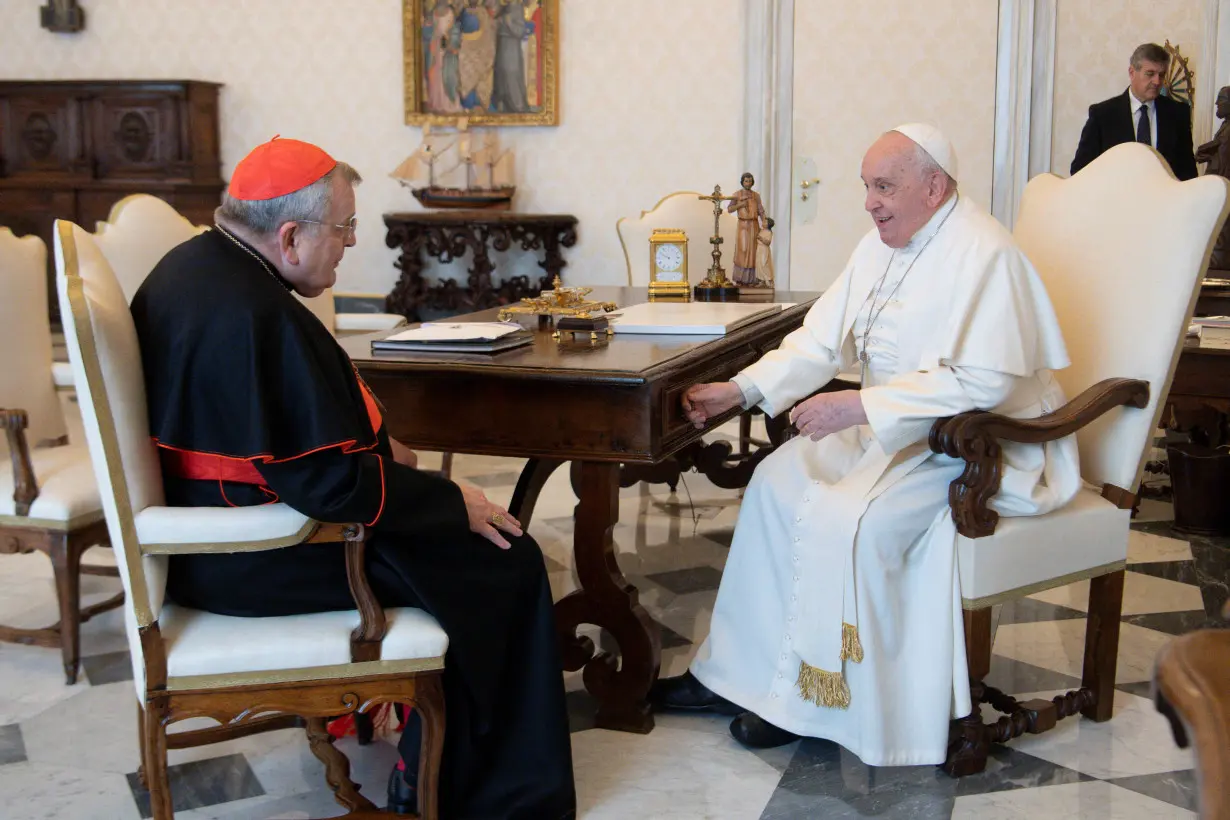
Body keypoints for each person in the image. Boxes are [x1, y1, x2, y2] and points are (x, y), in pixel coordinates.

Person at [129, 136, 576, 819]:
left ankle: (434, 753)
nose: (351, 242)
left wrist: (375, 443)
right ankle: (480, 794)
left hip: (224, 530)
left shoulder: (199, 269)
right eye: (343, 228)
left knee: (481, 552)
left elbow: (291, 443)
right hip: (253, 553)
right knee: (507, 559)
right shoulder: (253, 312)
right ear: (288, 235)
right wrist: (452, 501)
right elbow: (329, 486)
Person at [650, 124, 1081, 767]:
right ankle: (735, 676)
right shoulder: (882, 243)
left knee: (850, 518)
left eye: (885, 186)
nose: (870, 202)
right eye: (867, 187)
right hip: (899, 431)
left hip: (978, 446)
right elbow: (821, 340)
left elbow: (985, 380)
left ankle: (816, 702)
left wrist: (856, 406)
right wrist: (739, 391)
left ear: (933, 187)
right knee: (774, 484)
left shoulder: (985, 253)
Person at [1071, 42, 1197, 180]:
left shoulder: (1178, 114)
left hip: (1164, 200)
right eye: (1150, 74)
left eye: (1161, 75)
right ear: (1132, 72)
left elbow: (1188, 173)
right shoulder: (1103, 115)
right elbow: (1080, 170)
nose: (1157, 81)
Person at [1196, 85, 1230, 269]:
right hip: (1218, 189)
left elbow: (1224, 158)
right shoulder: (1225, 126)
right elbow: (1218, 147)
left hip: (1223, 191)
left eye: (1222, 100)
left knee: (1221, 229)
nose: (1217, 103)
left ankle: (1218, 263)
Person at [727, 172, 766, 285]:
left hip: (754, 225)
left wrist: (764, 221)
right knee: (743, 250)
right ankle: (741, 278)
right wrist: (740, 205)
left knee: (753, 250)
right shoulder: (737, 195)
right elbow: (730, 209)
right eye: (746, 181)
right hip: (743, 225)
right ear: (742, 182)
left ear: (752, 182)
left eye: (749, 181)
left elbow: (760, 210)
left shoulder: (756, 196)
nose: (748, 183)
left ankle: (752, 279)